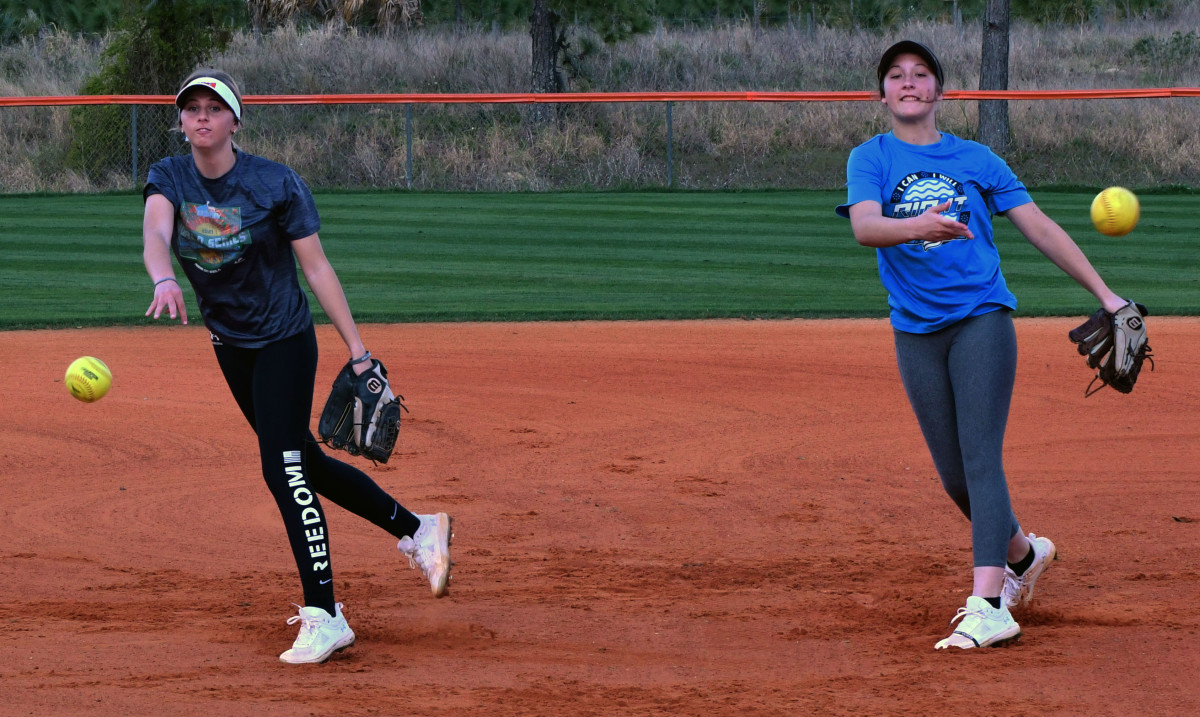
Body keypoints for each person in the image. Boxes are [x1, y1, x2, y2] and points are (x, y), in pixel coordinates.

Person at [142, 69, 453, 664]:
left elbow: (316, 269)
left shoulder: (275, 183)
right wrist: (162, 276)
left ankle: (324, 613)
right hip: (230, 346)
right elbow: (157, 232)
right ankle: (420, 531)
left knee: (280, 469)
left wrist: (359, 353)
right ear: (181, 121)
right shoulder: (169, 176)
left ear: (235, 120)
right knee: (304, 460)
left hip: (285, 340)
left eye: (214, 108)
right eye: (191, 109)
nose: (201, 117)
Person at [837, 41, 1131, 650]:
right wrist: (921, 224)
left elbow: (1040, 227)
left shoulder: (976, 157)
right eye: (897, 76)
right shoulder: (870, 158)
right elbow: (866, 226)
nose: (909, 83)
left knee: (981, 457)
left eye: (921, 74)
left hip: (982, 318)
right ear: (883, 94)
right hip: (914, 329)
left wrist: (1108, 297)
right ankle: (1024, 556)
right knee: (955, 478)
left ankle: (990, 603)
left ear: (940, 91)